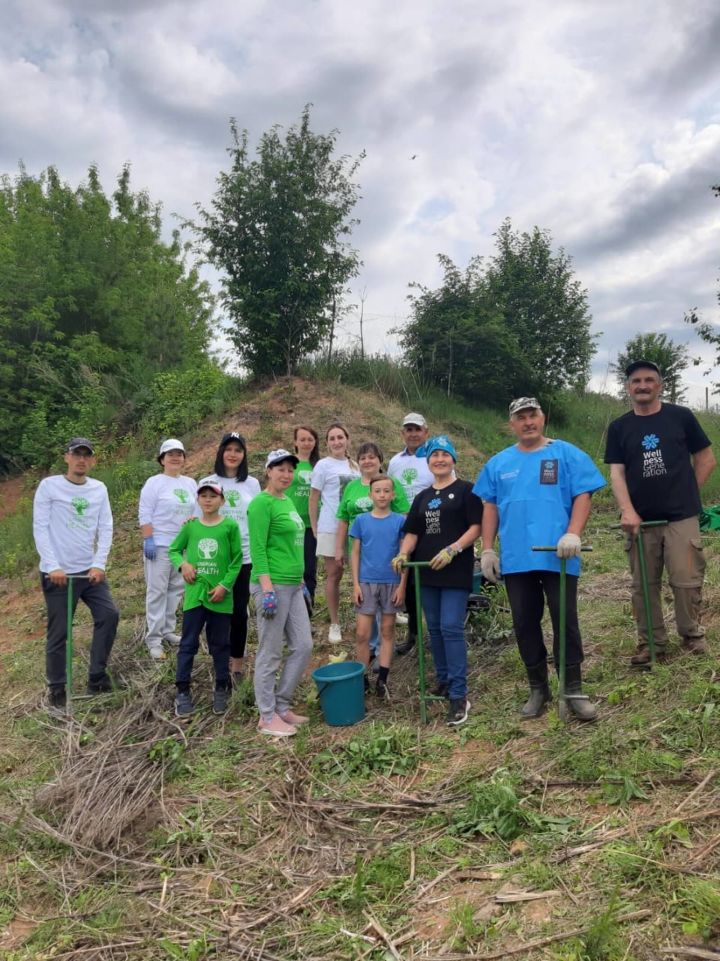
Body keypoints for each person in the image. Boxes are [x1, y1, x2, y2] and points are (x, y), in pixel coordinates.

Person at [476, 398, 605, 722]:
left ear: (542, 418)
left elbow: (583, 494)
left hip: (559, 555)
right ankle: (538, 688)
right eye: (521, 417)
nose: (528, 421)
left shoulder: (566, 454)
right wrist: (488, 548)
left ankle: (573, 689)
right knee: (524, 622)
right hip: (517, 558)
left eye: (533, 415)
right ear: (512, 424)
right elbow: (489, 506)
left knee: (565, 620)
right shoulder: (498, 464)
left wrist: (573, 532)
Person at [604, 360, 716, 665]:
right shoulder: (619, 427)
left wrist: (688, 493)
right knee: (643, 585)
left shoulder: (681, 417)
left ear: (660, 385)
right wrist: (627, 511)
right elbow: (617, 473)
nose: (642, 385)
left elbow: (706, 458)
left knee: (686, 579)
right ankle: (651, 643)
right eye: (636, 381)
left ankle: (691, 635)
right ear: (628, 388)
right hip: (640, 521)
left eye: (649, 380)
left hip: (681, 517)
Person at [394, 435, 482, 727]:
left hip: (454, 570)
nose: (440, 460)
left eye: (445, 454)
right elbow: (412, 532)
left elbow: (476, 527)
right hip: (426, 571)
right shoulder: (421, 497)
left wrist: (453, 548)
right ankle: (443, 680)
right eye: (434, 456)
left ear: (453, 459)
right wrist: (403, 553)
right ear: (428, 462)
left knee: (450, 627)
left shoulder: (466, 490)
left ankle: (459, 694)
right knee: (433, 629)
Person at [32, 437, 120, 710]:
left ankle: (96, 677)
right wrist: (52, 564)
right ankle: (57, 688)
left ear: (92, 460)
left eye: (87, 455)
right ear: (66, 457)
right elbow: (40, 527)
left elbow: (105, 527)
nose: (82, 459)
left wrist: (100, 564)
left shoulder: (99, 489)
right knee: (59, 631)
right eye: (76, 454)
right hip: (58, 574)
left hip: (88, 572)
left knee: (109, 614)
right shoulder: (49, 487)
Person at [248, 449, 313, 737]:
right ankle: (266, 715)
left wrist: (301, 579)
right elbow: (258, 547)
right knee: (271, 651)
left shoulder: (286, 501)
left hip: (293, 584)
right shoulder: (261, 503)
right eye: (280, 469)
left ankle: (282, 705)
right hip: (271, 585)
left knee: (303, 645)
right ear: (268, 471)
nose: (286, 475)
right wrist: (266, 588)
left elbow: (293, 545)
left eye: (290, 470)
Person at [168, 477, 242, 718]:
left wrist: (224, 585)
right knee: (188, 643)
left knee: (220, 644)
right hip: (195, 596)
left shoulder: (229, 526)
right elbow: (173, 550)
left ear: (222, 500)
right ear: (198, 499)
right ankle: (182, 690)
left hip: (220, 597)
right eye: (203, 496)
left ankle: (222, 686)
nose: (208, 500)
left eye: (213, 496)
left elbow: (236, 560)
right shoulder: (190, 526)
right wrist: (184, 565)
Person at [202, 432, 261, 682]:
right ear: (221, 452)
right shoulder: (207, 482)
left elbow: (258, 520)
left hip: (245, 557)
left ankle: (236, 665)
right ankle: (219, 663)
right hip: (215, 558)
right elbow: (199, 522)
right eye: (229, 449)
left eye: (238, 450)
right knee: (215, 612)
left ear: (244, 454)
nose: (233, 454)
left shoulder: (253, 484)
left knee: (239, 612)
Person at [138, 439, 197, 660]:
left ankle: (167, 630)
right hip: (161, 545)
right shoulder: (154, 483)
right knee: (157, 590)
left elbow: (197, 509)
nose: (175, 457)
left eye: (179, 454)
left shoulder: (190, 483)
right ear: (162, 459)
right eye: (170, 454)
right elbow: (145, 512)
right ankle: (153, 639)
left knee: (176, 589)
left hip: (183, 546)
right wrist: (148, 538)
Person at [350, 475, 408, 699]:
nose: (382, 495)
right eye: (378, 491)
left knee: (387, 630)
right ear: (370, 494)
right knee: (362, 633)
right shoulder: (361, 521)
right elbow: (355, 553)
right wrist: (355, 584)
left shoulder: (399, 522)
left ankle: (382, 679)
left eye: (386, 491)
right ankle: (362, 677)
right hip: (366, 582)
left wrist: (402, 585)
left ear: (393, 495)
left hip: (391, 581)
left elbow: (404, 555)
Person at [308, 423, 360, 644]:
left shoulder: (356, 466)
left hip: (356, 527)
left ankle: (373, 614)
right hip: (330, 526)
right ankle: (335, 623)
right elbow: (313, 497)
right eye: (332, 438)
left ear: (347, 439)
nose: (337, 442)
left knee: (363, 572)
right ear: (327, 443)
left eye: (340, 437)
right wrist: (315, 528)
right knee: (335, 573)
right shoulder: (322, 465)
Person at [387, 413, 434, 655]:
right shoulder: (395, 462)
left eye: (417, 429)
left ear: (426, 432)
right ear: (402, 433)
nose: (413, 433)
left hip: (431, 528)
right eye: (409, 429)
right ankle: (413, 635)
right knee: (408, 581)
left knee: (430, 580)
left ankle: (435, 633)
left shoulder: (435, 457)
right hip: (403, 530)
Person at [287, 426, 320, 604]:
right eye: (303, 439)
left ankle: (307, 613)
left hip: (311, 526)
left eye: (310, 439)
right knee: (291, 569)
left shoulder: (319, 465)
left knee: (309, 570)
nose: (306, 443)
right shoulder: (289, 464)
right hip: (290, 524)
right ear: (295, 442)